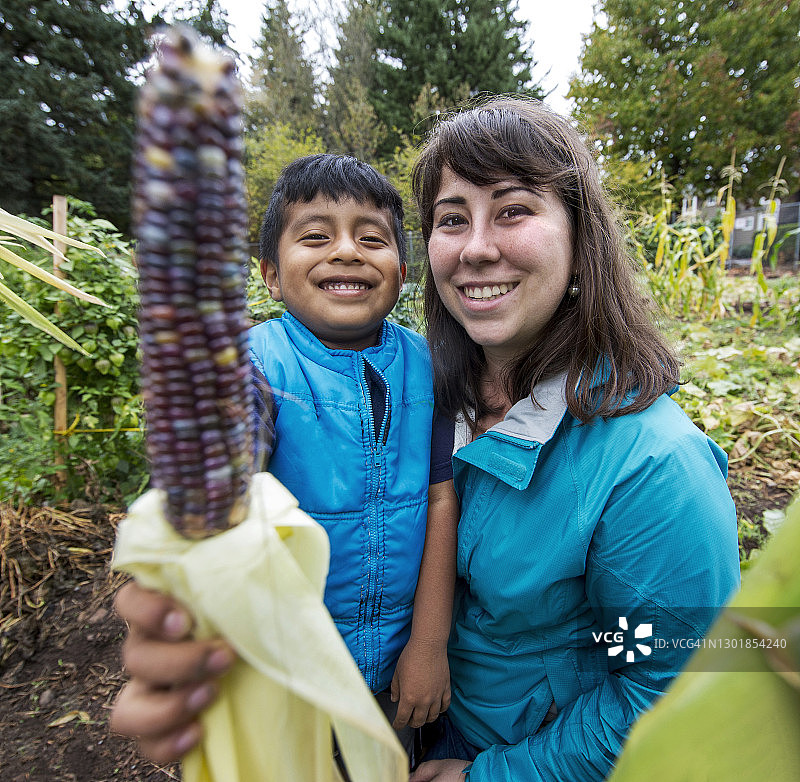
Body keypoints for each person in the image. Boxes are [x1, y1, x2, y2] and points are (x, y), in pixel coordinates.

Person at [112, 100, 741, 781]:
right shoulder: (434, 387)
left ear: (580, 238)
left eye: (512, 210)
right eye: (451, 218)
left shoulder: (656, 467)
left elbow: (683, 687)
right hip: (404, 725)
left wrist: (492, 775)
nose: (475, 247)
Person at [113, 153, 459, 760]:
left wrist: (428, 646)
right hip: (280, 668)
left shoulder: (428, 368)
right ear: (271, 274)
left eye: (371, 238)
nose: (347, 251)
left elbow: (439, 497)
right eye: (316, 236)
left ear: (402, 271)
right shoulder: (254, 366)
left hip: (396, 667)